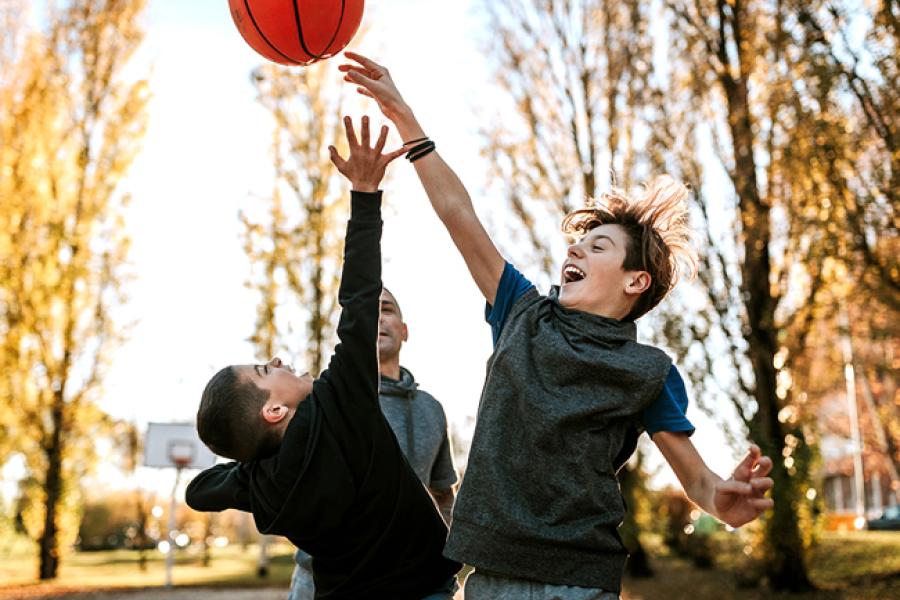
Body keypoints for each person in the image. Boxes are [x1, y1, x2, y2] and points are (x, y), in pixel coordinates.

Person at [338, 52, 775, 600]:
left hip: (580, 580)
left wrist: (721, 503)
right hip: (491, 576)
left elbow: (699, 480)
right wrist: (404, 116)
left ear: (635, 282)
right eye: (578, 242)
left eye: (598, 246)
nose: (575, 248)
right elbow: (459, 214)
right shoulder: (521, 311)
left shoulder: (648, 371)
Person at [184, 116, 460, 600]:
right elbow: (359, 296)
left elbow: (197, 492)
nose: (277, 359)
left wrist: (249, 466)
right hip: (423, 589)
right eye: (266, 371)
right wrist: (365, 193)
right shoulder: (341, 405)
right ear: (274, 410)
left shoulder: (265, 486)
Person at [289, 287, 458, 600]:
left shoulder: (430, 408)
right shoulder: (323, 400)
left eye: (387, 309)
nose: (377, 318)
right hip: (322, 582)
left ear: (404, 331)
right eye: (368, 310)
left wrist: (442, 551)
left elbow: (442, 491)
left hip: (408, 582)